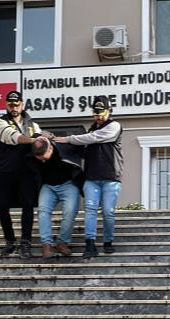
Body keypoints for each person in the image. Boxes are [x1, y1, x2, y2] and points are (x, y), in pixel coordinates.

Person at [54, 96, 123, 258]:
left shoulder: (114, 126)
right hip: (91, 178)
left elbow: (92, 138)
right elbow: (84, 148)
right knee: (90, 211)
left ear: (110, 111)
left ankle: (108, 242)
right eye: (95, 113)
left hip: (110, 177)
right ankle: (90, 245)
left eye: (102, 113)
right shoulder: (91, 128)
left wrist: (67, 139)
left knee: (108, 211)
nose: (98, 116)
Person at [0, 90, 43, 258]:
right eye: (10, 104)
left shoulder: (33, 125)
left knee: (28, 206)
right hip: (5, 170)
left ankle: (25, 242)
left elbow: (41, 142)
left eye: (17, 104)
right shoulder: (0, 122)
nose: (14, 107)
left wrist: (44, 140)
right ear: (6, 105)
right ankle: (10, 241)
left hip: (27, 172)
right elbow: (13, 137)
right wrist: (33, 140)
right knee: (2, 207)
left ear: (22, 104)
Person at [31, 137, 85, 259]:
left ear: (50, 148)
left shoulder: (64, 149)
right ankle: (47, 244)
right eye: (38, 157)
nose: (41, 159)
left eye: (43, 156)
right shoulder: (35, 154)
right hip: (48, 186)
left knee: (70, 212)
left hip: (68, 184)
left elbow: (81, 152)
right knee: (43, 211)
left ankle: (62, 242)